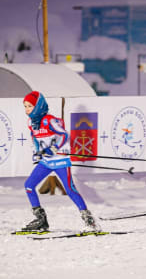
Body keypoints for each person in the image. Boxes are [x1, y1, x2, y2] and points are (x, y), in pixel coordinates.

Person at [22, 91, 100, 231]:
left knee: (69, 189)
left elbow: (64, 135)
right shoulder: (31, 122)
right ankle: (41, 220)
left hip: (60, 160)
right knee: (29, 185)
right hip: (46, 161)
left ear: (38, 106)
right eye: (25, 106)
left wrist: (54, 148)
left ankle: (89, 219)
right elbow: (34, 138)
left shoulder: (49, 120)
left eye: (29, 106)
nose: (27, 110)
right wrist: (37, 152)